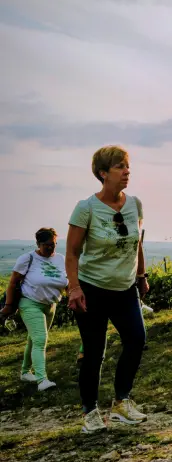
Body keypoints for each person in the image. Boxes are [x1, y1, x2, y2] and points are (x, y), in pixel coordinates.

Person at [66, 146, 149, 434]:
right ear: (103, 173)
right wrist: (74, 288)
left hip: (125, 289)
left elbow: (136, 243)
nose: (127, 171)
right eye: (119, 167)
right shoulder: (86, 208)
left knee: (136, 339)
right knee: (94, 352)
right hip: (92, 289)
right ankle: (90, 412)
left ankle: (121, 403)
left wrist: (141, 276)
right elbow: (72, 253)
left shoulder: (135, 204)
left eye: (127, 166)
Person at [1, 228, 67, 392]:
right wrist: (8, 306)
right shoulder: (27, 258)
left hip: (50, 305)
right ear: (38, 244)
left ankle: (25, 372)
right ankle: (42, 380)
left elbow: (66, 281)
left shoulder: (60, 259)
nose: (50, 248)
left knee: (34, 339)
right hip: (30, 303)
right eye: (46, 245)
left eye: (53, 244)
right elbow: (13, 283)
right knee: (40, 340)